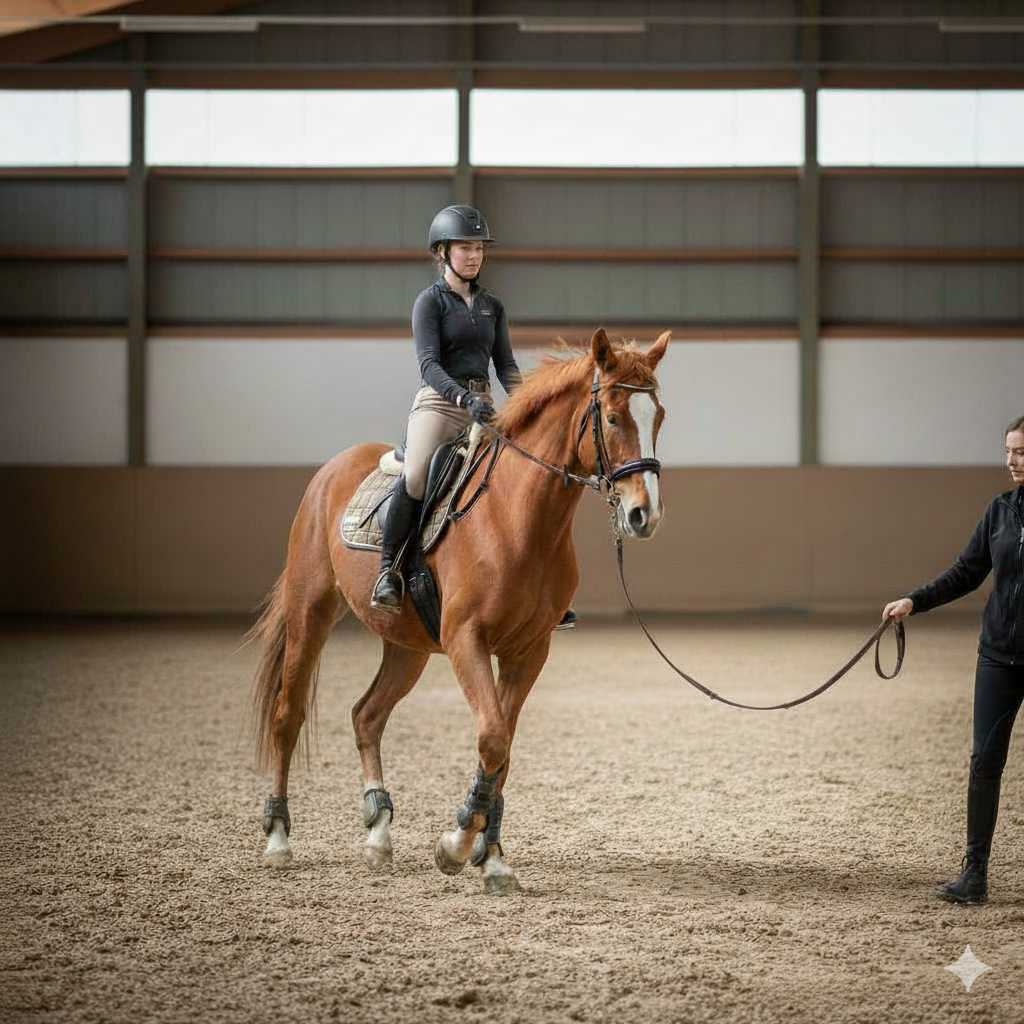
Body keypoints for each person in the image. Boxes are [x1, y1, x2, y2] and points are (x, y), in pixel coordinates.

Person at [369, 203, 578, 630]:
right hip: (440, 404)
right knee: (415, 476)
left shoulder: (492, 306)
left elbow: (505, 365)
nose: (474, 255)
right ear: (442, 252)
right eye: (465, 247)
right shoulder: (429, 303)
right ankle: (389, 571)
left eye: (479, 248)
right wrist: (463, 399)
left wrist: (528, 405)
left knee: (523, 477)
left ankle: (540, 589)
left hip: (484, 407)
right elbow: (428, 364)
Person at [882, 415, 1024, 904]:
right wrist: (914, 601)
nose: (1011, 461)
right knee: (985, 761)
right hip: (999, 659)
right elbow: (967, 571)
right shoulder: (1000, 512)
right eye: (1008, 450)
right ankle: (975, 873)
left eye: (1021, 452)